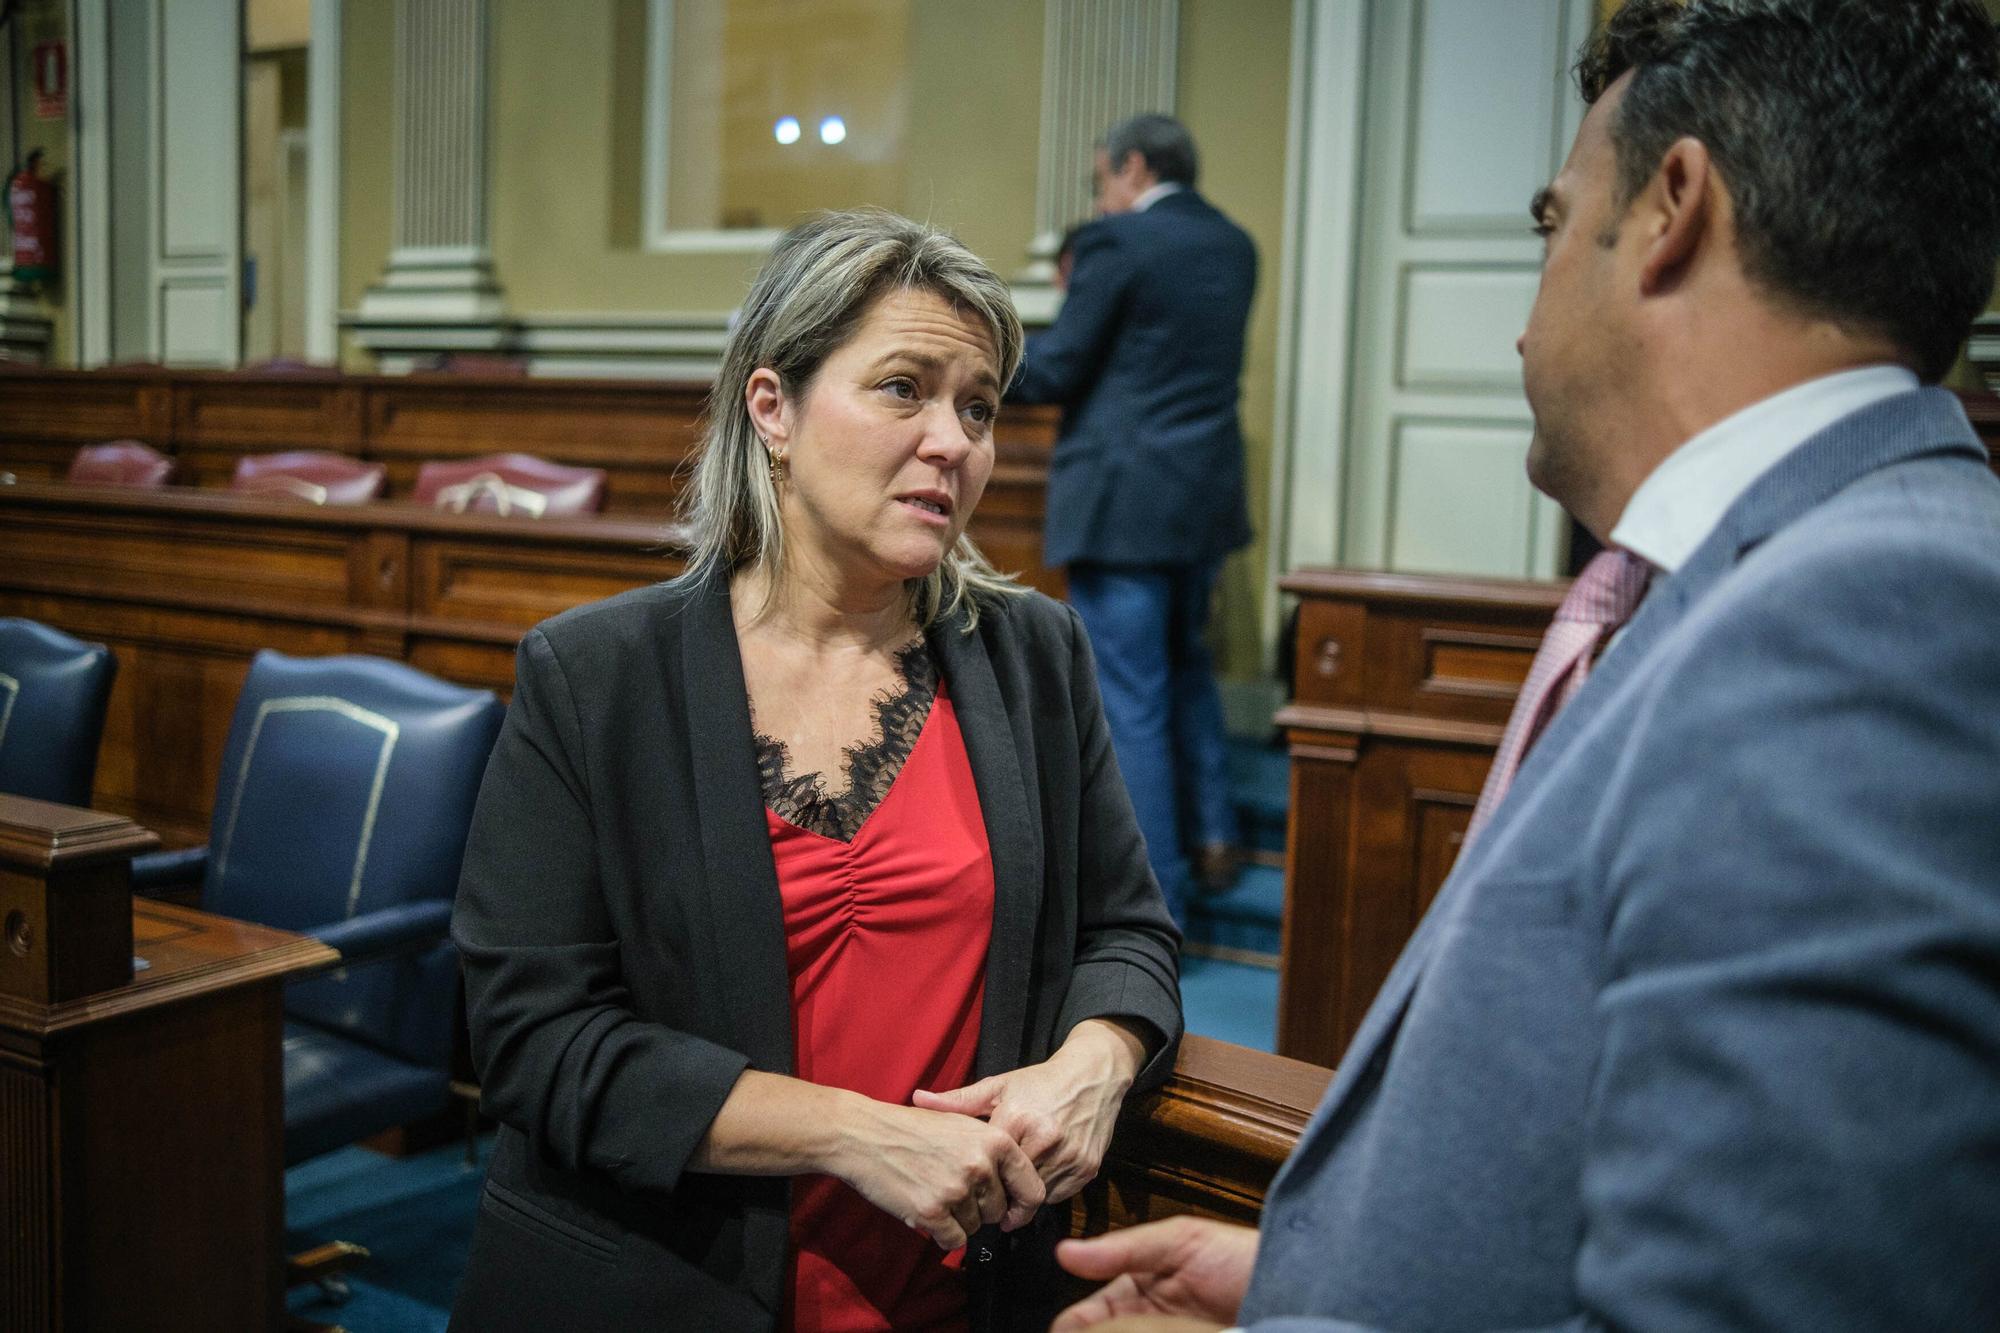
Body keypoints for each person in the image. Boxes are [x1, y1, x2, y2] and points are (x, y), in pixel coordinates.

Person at [1053, 1, 2000, 1328]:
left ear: (1674, 208)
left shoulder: (1871, 615)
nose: (1519, 320)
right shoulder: (1762, 578)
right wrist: (1306, 1284)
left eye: (1555, 224)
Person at [448, 209, 1182, 1333]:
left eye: (977, 405)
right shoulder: (595, 677)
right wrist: (854, 1131)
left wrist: (1093, 1060)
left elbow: (1128, 928)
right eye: (903, 387)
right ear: (771, 407)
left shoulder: (1034, 654)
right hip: (660, 1287)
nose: (953, 441)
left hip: (953, 1298)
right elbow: (534, 1042)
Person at [1010, 113, 1257, 924]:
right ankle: (1218, 840)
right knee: (1187, 667)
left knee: (1131, 698)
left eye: (1101, 180)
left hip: (1123, 503)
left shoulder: (1119, 243)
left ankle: (1159, 909)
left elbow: (1058, 366)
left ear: (1135, 168)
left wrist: (974, 358)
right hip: (1203, 499)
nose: (1102, 196)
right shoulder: (1233, 244)